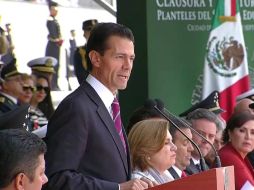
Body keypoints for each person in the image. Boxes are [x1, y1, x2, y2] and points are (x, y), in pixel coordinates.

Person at [43, 22, 152, 190]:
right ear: (95, 58)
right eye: (119, 57)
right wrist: (118, 188)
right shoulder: (76, 107)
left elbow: (104, 168)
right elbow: (57, 178)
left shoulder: (109, 104)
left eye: (131, 58)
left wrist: (136, 179)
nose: (128, 66)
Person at [128, 119, 176, 184]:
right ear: (146, 150)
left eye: (172, 141)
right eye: (166, 143)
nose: (174, 147)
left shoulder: (166, 174)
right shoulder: (140, 183)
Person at [219, 111, 254, 190]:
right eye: (242, 131)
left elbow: (227, 188)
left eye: (253, 132)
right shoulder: (228, 157)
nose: (248, 137)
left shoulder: (237, 155)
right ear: (230, 133)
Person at [185, 108, 220, 175]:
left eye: (211, 136)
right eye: (200, 134)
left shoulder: (206, 166)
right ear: (187, 132)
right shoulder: (180, 165)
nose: (206, 140)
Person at [74, 19, 98, 84]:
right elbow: (81, 76)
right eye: (89, 30)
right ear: (84, 34)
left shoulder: (105, 50)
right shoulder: (80, 52)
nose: (93, 33)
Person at [45, 1, 63, 90]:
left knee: (56, 65)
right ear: (51, 10)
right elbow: (53, 35)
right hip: (52, 46)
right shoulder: (50, 20)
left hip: (56, 46)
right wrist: (58, 40)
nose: (57, 11)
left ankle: (55, 84)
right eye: (55, 10)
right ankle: (52, 85)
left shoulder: (54, 20)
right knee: (52, 66)